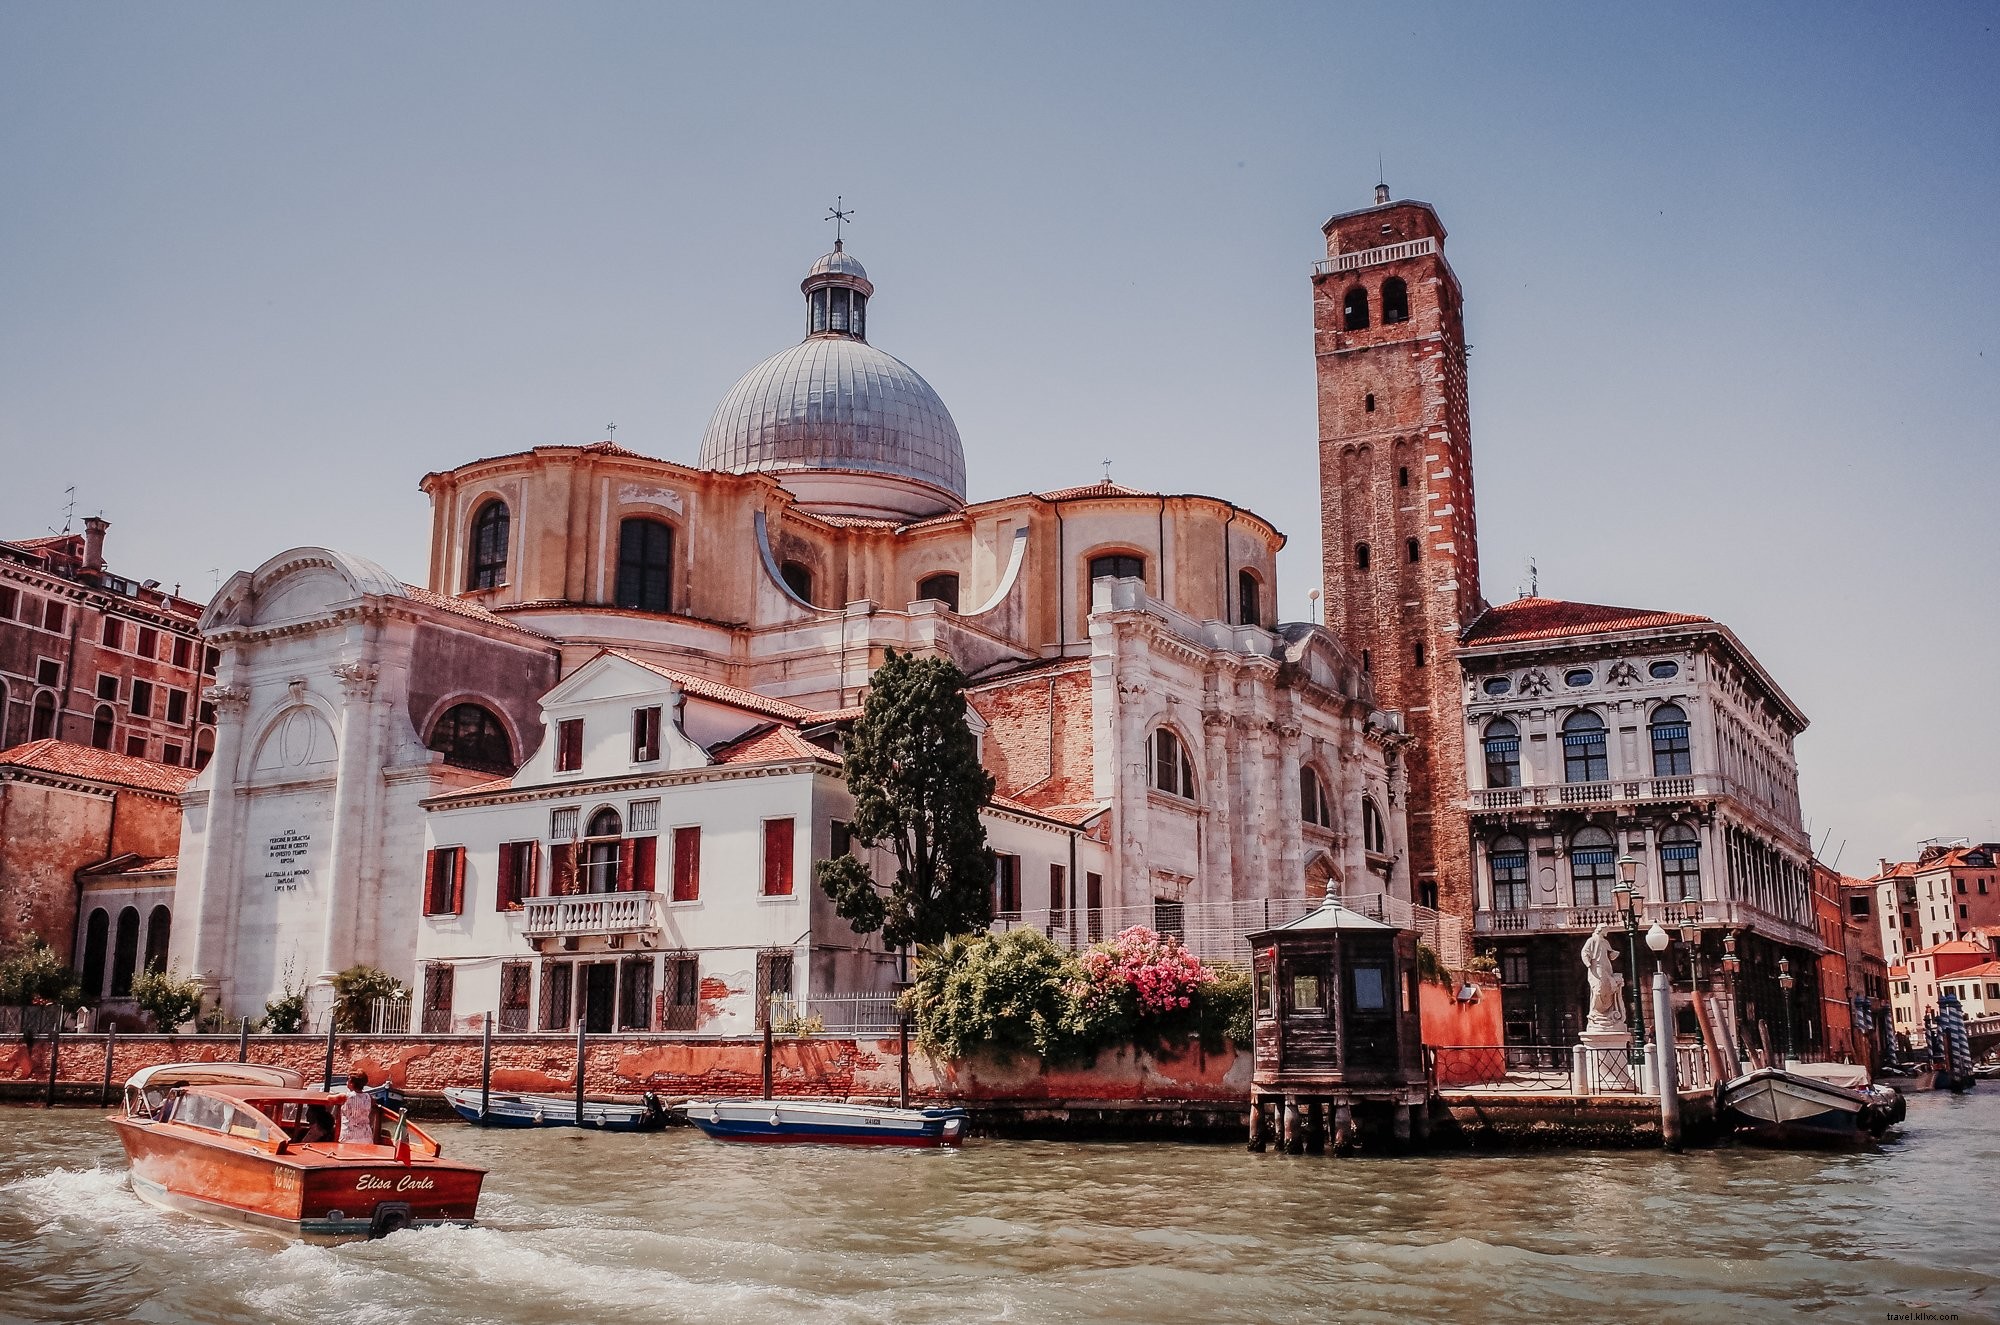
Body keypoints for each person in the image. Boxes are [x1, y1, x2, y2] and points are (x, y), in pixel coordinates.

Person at [337, 1072, 377, 1145]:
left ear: (351, 1083)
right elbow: (374, 1104)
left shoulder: (345, 1096)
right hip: (366, 1137)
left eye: (348, 1080)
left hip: (348, 1137)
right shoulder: (369, 1097)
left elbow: (328, 1098)